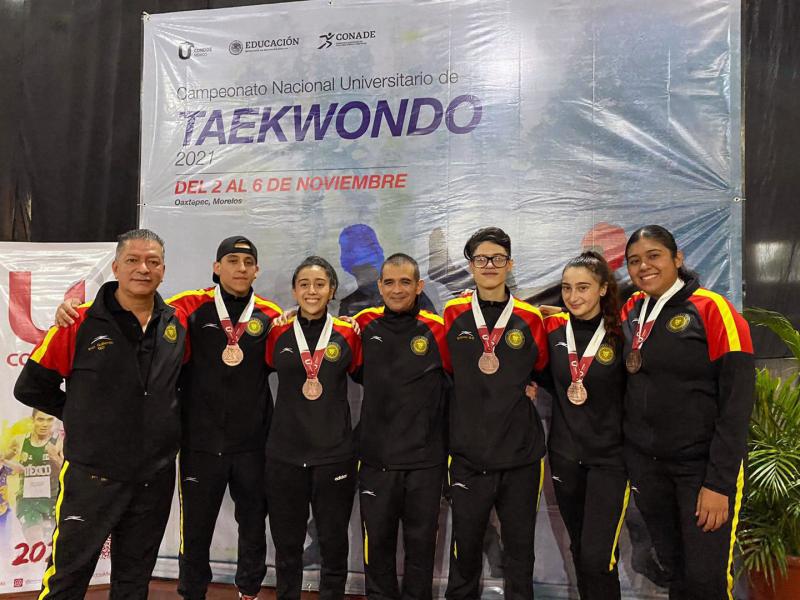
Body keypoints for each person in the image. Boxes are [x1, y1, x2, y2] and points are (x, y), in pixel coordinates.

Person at [55, 235, 281, 600]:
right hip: (198, 443)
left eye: (247, 262)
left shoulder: (271, 315)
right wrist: (70, 310)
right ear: (216, 267)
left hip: (251, 444)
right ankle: (192, 593)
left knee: (253, 524)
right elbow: (137, 306)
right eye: (232, 260)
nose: (240, 268)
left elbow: (305, 336)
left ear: (257, 269)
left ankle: (249, 592)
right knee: (195, 531)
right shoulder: (184, 308)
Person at [14, 228, 187, 599]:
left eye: (152, 261)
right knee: (67, 578)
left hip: (153, 479)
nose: (143, 268)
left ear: (163, 270)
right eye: (133, 260)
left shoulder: (176, 325)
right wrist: (80, 417)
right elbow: (29, 387)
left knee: (133, 581)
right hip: (92, 477)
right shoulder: (76, 324)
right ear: (116, 267)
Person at [621, 225, 754, 599]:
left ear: (677, 259)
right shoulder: (631, 309)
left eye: (654, 256)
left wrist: (718, 484)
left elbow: (737, 403)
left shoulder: (714, 310)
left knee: (706, 580)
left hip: (701, 471)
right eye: (634, 261)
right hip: (649, 470)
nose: (644, 266)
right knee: (673, 571)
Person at [443, 227, 549, 600]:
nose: (490, 265)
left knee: (520, 552)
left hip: (521, 456)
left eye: (498, 258)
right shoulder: (452, 313)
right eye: (481, 259)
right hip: (470, 455)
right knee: (466, 549)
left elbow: (541, 368)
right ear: (470, 265)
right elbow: (448, 370)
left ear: (510, 264)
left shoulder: (531, 317)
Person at [353, 253, 452, 600]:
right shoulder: (362, 325)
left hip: (425, 463)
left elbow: (462, 381)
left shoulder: (437, 330)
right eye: (390, 282)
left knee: (421, 551)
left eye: (405, 282)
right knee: (376, 548)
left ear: (419, 286)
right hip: (376, 460)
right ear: (379, 286)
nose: (397, 290)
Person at [265, 256, 361, 600]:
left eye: (320, 284)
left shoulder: (349, 332)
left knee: (333, 542)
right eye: (304, 284)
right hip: (284, 455)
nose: (311, 290)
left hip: (333, 455)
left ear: (332, 290)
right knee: (287, 543)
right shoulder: (276, 330)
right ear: (294, 290)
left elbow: (372, 377)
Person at [540, 252, 628, 600]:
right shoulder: (554, 330)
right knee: (580, 549)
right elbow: (547, 376)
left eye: (583, 288)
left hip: (611, 460)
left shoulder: (623, 333)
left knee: (597, 555)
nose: (574, 297)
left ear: (603, 289)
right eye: (566, 288)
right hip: (565, 458)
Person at [13, 409, 63, 544]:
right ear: (33, 420)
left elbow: (66, 473)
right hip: (27, 502)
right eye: (40, 419)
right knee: (36, 540)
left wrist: (54, 458)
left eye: (49, 420)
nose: (45, 424)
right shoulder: (20, 441)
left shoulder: (58, 442)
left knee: (51, 546)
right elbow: (4, 459)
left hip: (52, 501)